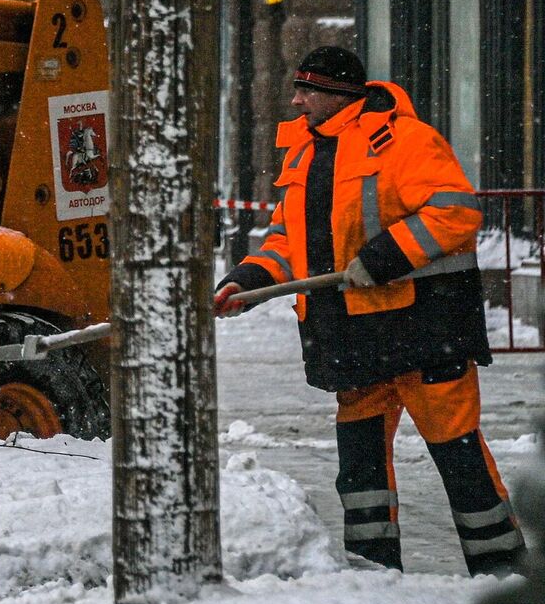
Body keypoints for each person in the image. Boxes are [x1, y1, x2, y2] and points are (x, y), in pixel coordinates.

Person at [214, 45, 523, 576]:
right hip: (352, 341)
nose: (297, 100)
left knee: (460, 460)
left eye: (306, 90)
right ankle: (375, 572)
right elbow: (288, 240)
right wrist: (249, 280)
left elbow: (457, 212)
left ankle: (503, 575)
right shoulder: (304, 156)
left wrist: (384, 256)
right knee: (360, 475)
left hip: (425, 333)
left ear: (337, 93)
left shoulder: (403, 141)